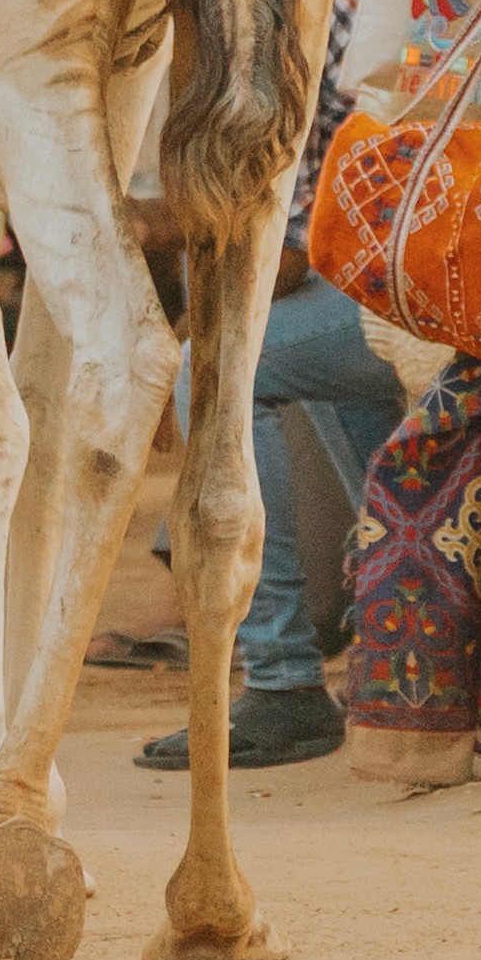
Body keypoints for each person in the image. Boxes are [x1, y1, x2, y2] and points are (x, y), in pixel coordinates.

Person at [140, 267, 412, 777]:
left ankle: (283, 678)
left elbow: (282, 258)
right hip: (425, 267)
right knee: (317, 341)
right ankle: (407, 652)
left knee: (214, 365)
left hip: (447, 277)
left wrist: (169, 332)